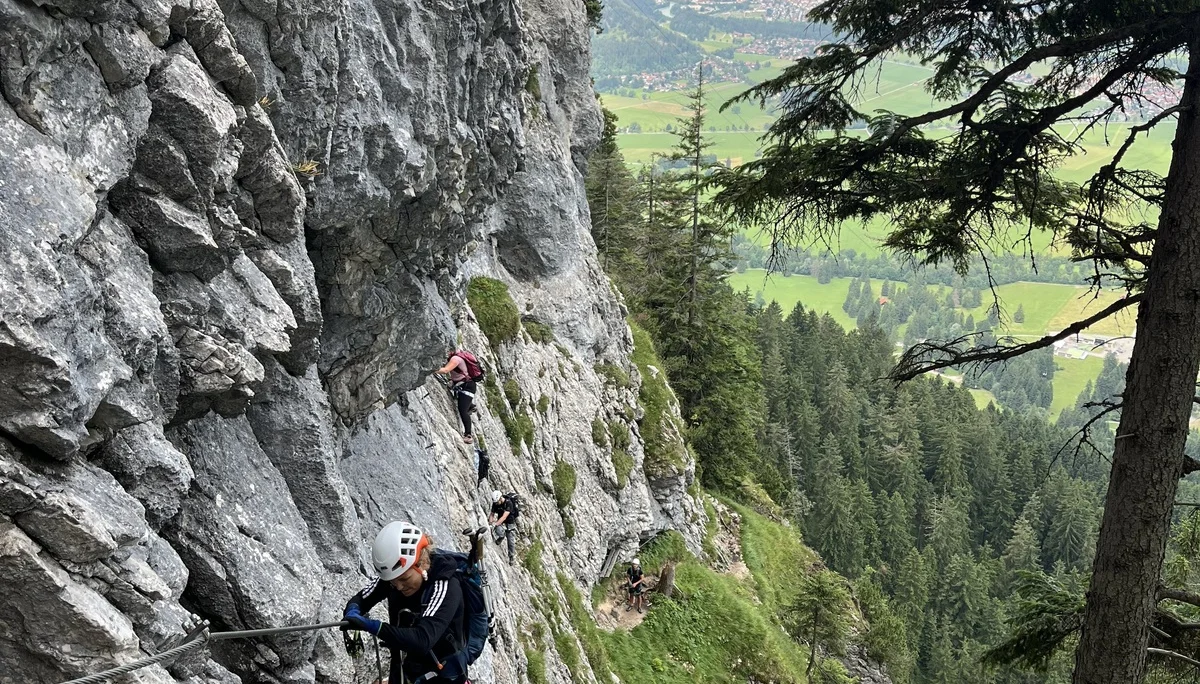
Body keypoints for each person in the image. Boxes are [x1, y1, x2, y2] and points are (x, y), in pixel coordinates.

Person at [343, 522, 468, 683]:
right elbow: (361, 599)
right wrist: (352, 610)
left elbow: (422, 640)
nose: (399, 586)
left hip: (442, 674)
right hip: (403, 667)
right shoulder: (395, 574)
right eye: (393, 582)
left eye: (405, 579)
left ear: (422, 563)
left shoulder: (446, 586)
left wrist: (374, 626)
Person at [436, 351, 479, 444]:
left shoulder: (455, 359)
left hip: (467, 387)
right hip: (463, 384)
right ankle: (470, 405)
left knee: (463, 410)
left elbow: (445, 370)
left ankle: (468, 435)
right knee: (463, 401)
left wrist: (430, 370)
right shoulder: (456, 357)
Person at [488, 490, 519, 566]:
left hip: (510, 521)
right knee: (498, 530)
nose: (496, 504)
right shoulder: (495, 503)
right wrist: (490, 523)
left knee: (510, 539)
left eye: (497, 502)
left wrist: (495, 524)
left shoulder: (508, 503)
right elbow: (492, 514)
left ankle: (511, 557)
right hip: (501, 520)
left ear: (500, 498)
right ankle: (501, 537)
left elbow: (504, 517)